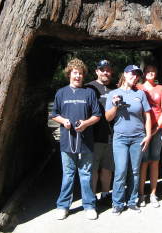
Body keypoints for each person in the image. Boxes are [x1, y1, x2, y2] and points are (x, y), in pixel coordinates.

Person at [51, 58, 101, 220]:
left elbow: (97, 115)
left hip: (85, 142)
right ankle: (63, 206)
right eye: (75, 73)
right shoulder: (61, 93)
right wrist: (64, 121)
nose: (77, 76)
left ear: (83, 75)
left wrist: (86, 124)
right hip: (67, 141)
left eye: (80, 73)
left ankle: (89, 205)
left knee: (85, 174)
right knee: (68, 174)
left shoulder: (89, 93)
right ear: (69, 74)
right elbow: (55, 114)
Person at [105, 65, 152, 215]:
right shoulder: (114, 93)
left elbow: (148, 116)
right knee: (121, 170)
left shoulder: (141, 94)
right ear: (124, 74)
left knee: (135, 170)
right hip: (120, 138)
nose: (135, 77)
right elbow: (108, 117)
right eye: (132, 74)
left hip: (138, 137)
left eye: (137, 75)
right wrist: (115, 106)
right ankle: (117, 203)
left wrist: (148, 135)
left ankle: (132, 201)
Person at [137, 64, 162, 208]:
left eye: (153, 71)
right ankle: (141, 194)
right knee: (143, 162)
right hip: (142, 130)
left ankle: (153, 194)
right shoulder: (138, 88)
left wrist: (156, 128)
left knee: (154, 161)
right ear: (144, 73)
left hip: (157, 129)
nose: (151, 73)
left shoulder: (160, 88)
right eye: (148, 71)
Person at [85, 59, 115, 206]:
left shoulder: (115, 89)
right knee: (93, 169)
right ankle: (92, 197)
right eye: (102, 69)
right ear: (97, 71)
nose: (105, 72)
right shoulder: (89, 88)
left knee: (107, 168)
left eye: (108, 70)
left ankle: (105, 194)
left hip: (110, 136)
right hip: (93, 136)